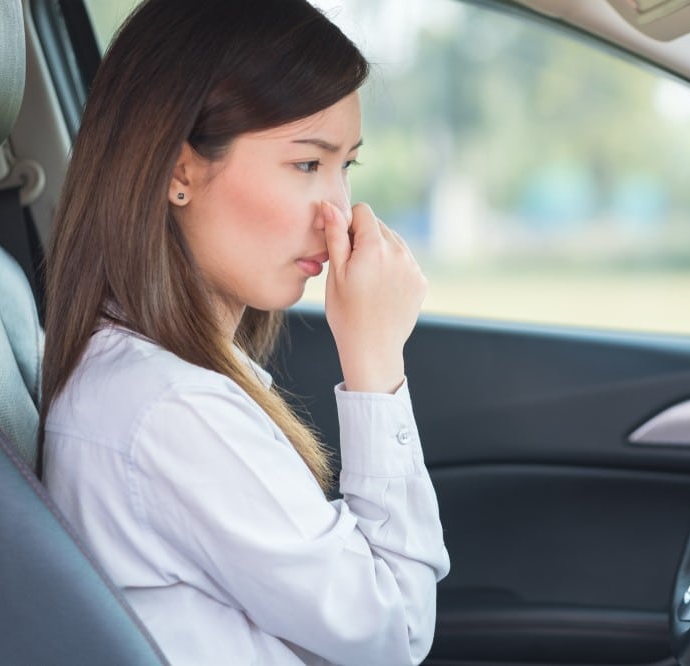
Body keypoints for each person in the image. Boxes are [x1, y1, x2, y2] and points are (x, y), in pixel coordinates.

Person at [39, 0, 450, 664]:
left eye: (348, 167)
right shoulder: (173, 412)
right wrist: (375, 365)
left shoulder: (153, 378)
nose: (339, 213)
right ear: (180, 172)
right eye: (307, 165)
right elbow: (396, 636)